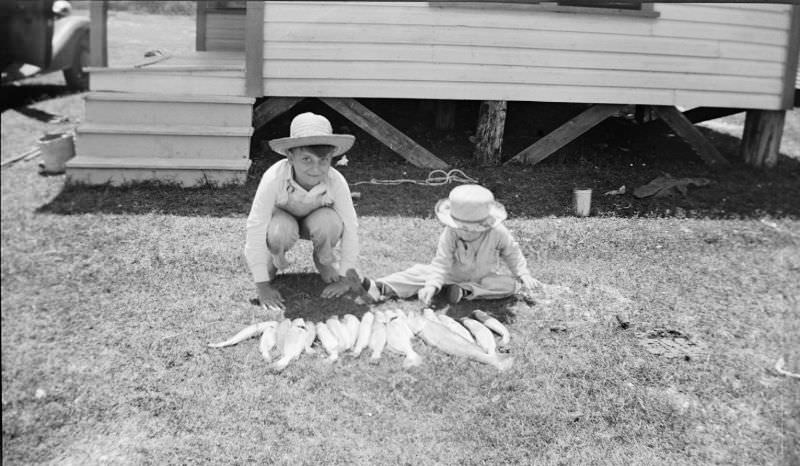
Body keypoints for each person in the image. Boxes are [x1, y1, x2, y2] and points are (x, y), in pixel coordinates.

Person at [244, 112, 360, 313]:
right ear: (290, 156)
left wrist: (344, 278)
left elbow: (351, 228)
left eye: (323, 160)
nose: (316, 169)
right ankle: (273, 258)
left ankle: (322, 258)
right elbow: (256, 226)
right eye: (306, 159)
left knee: (330, 223)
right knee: (280, 231)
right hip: (282, 221)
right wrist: (261, 285)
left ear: (332, 157)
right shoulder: (273, 177)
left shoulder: (336, 181)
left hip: (316, 221)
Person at [360, 184, 543, 305]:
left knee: (509, 285)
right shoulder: (450, 233)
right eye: (462, 227)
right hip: (449, 274)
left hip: (481, 278)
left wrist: (523, 274)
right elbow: (442, 262)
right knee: (419, 273)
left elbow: (512, 252)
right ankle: (382, 286)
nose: (467, 231)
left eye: (474, 228)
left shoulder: (498, 232)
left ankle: (465, 291)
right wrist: (432, 284)